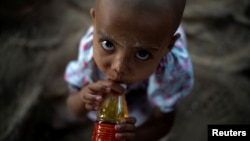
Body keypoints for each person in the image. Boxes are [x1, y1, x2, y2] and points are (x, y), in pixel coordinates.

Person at [64, 0, 193, 140]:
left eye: (142, 54)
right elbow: (74, 109)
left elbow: (164, 122)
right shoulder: (89, 51)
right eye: (108, 44)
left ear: (168, 47)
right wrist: (84, 96)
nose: (119, 68)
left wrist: (136, 136)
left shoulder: (173, 72)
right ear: (94, 23)